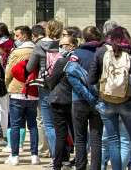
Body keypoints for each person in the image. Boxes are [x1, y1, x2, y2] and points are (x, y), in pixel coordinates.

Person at [89, 26, 131, 170]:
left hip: (107, 100)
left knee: (113, 141)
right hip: (128, 101)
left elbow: (91, 79)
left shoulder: (101, 52)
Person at [27, 19, 63, 158]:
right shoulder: (64, 44)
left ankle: (55, 156)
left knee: (48, 123)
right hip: (63, 85)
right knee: (62, 122)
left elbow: (30, 67)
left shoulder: (40, 45)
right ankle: (64, 155)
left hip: (46, 84)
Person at [5, 25, 40, 166]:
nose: (15, 38)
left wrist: (7, 84)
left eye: (17, 35)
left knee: (15, 125)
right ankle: (34, 155)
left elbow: (9, 71)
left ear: (24, 36)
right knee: (33, 125)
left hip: (17, 90)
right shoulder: (37, 49)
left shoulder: (17, 52)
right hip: (33, 90)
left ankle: (15, 155)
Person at [70, 26, 102, 170]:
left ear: (83, 38)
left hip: (79, 99)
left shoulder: (76, 53)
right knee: (96, 137)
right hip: (98, 98)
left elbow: (71, 76)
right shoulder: (103, 52)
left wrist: (85, 94)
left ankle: (81, 166)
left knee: (80, 137)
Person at [46, 34, 78, 170]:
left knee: (61, 134)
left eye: (63, 45)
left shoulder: (62, 62)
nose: (60, 48)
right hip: (76, 100)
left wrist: (46, 78)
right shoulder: (79, 59)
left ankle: (58, 164)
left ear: (72, 46)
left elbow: (51, 81)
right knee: (77, 134)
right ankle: (78, 161)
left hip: (59, 100)